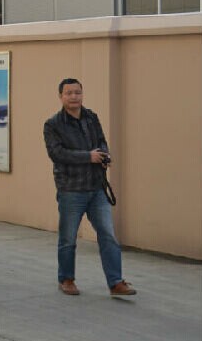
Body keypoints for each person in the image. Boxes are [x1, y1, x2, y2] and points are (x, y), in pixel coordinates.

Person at [43, 78, 136, 297]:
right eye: (69, 93)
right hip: (71, 189)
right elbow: (57, 153)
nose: (74, 97)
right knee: (68, 238)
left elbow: (101, 141)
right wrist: (88, 157)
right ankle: (66, 279)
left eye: (77, 92)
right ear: (61, 96)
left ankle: (115, 282)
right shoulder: (53, 124)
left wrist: (104, 155)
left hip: (96, 188)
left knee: (108, 235)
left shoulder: (91, 117)